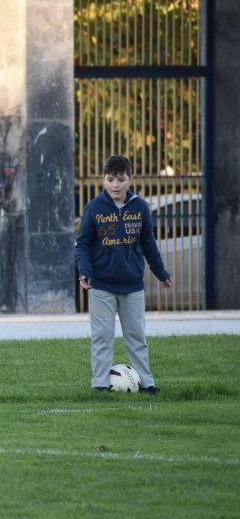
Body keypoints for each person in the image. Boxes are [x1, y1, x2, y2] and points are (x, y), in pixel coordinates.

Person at [75, 154, 172, 394]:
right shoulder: (94, 208)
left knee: (136, 337)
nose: (115, 185)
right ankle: (99, 385)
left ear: (131, 179)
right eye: (110, 179)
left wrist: (161, 273)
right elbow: (83, 243)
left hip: (132, 286)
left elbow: (149, 243)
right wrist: (84, 271)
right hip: (101, 287)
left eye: (120, 179)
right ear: (103, 180)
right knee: (102, 337)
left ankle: (147, 384)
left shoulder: (140, 208)